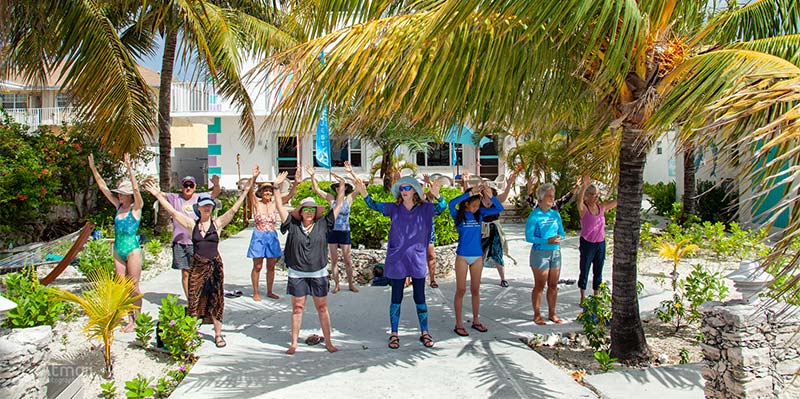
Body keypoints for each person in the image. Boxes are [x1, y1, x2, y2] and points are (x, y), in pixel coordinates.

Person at [143, 168, 257, 348]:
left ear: (211, 207)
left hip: (214, 266)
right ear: (199, 208)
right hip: (197, 266)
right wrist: (158, 196)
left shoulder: (217, 224)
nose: (207, 207)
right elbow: (173, 212)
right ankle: (190, 332)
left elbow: (234, 209)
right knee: (194, 299)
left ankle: (218, 334)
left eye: (209, 205)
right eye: (204, 205)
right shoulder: (191, 224)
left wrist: (246, 190)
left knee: (216, 299)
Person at [357, 175, 444, 349]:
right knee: (396, 297)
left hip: (417, 258)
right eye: (401, 189)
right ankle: (394, 333)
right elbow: (374, 205)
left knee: (420, 297)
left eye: (407, 188)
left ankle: (425, 332)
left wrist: (438, 195)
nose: (404, 191)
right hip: (397, 260)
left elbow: (441, 208)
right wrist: (364, 192)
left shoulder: (425, 208)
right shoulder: (393, 208)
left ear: (415, 191)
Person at [273, 169, 347, 354]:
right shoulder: (292, 224)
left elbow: (338, 205)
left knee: (322, 307)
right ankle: (293, 343)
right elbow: (280, 208)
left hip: (318, 272)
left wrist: (342, 187)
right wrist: (276, 187)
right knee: (298, 308)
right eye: (305, 209)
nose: (308, 212)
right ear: (301, 211)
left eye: (312, 209)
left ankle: (328, 342)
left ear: (315, 212)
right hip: (297, 273)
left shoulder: (323, 224)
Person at [88, 153, 144, 332]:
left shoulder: (136, 208)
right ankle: (129, 318)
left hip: (132, 250)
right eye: (119, 194)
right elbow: (103, 188)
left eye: (122, 194)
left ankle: (137, 319)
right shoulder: (118, 207)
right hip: (118, 249)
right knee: (122, 286)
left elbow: (136, 191)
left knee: (133, 286)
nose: (119, 196)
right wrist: (93, 169)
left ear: (128, 196)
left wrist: (129, 168)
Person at [151, 174, 220, 300]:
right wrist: (154, 190)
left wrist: (216, 184)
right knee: (185, 273)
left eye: (191, 185)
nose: (188, 188)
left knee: (200, 272)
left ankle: (202, 298)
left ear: (194, 187)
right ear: (182, 187)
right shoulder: (175, 197)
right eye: (186, 185)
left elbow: (214, 193)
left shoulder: (199, 198)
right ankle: (191, 301)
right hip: (180, 242)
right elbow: (161, 195)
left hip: (196, 242)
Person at [449, 184, 504, 336]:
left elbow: (499, 209)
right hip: (462, 256)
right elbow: (451, 203)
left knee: (475, 290)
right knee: (461, 290)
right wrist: (470, 193)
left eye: (478, 205)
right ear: (467, 203)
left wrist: (490, 196)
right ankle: (458, 323)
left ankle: (475, 320)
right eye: (473, 205)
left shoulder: (479, 214)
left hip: (477, 256)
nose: (476, 208)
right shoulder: (458, 214)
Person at [306, 162, 359, 293]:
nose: (338, 188)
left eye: (340, 186)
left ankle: (351, 284)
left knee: (347, 260)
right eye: (336, 186)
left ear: (346, 187)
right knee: (334, 260)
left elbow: (360, 185)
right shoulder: (331, 199)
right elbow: (317, 190)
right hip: (332, 232)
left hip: (345, 231)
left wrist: (351, 172)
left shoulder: (349, 199)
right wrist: (313, 176)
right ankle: (337, 285)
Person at [247, 169, 299, 301]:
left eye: (270, 191)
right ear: (261, 193)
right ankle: (256, 292)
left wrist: (296, 182)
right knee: (257, 266)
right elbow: (250, 191)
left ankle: (270, 291)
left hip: (271, 236)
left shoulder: (275, 204)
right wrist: (254, 177)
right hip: (259, 235)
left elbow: (290, 195)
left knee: (271, 266)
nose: (268, 193)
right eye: (265, 190)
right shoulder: (256, 204)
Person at [462, 170, 518, 287]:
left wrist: (509, 184)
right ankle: (477, 278)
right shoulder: (478, 201)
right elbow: (467, 198)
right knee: (480, 254)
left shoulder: (495, 200)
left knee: (498, 253)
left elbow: (503, 200)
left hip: (494, 228)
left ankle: (503, 278)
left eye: (489, 189)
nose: (487, 191)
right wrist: (465, 182)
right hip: (482, 229)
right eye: (485, 189)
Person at [525, 183, 566, 325]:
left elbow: (562, 232)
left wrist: (560, 238)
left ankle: (552, 313)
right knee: (540, 285)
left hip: (555, 252)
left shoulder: (555, 214)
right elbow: (529, 237)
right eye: (549, 196)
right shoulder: (534, 215)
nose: (552, 198)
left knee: (553, 284)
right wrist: (546, 240)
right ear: (541, 198)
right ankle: (537, 314)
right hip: (540, 253)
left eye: (553, 196)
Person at [576, 176, 617, 303]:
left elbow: (617, 201)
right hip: (587, 243)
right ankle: (582, 296)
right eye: (593, 194)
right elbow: (579, 202)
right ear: (588, 195)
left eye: (598, 194)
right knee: (585, 269)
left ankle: (596, 295)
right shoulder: (584, 209)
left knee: (598, 270)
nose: (596, 197)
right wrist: (583, 186)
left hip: (600, 243)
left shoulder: (601, 207)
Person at [421, 174, 448, 288]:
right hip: (414, 234)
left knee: (431, 256)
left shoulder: (428, 197)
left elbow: (439, 199)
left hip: (428, 233)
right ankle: (411, 279)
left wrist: (429, 182)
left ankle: (432, 279)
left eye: (421, 185)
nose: (419, 187)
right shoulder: (410, 199)